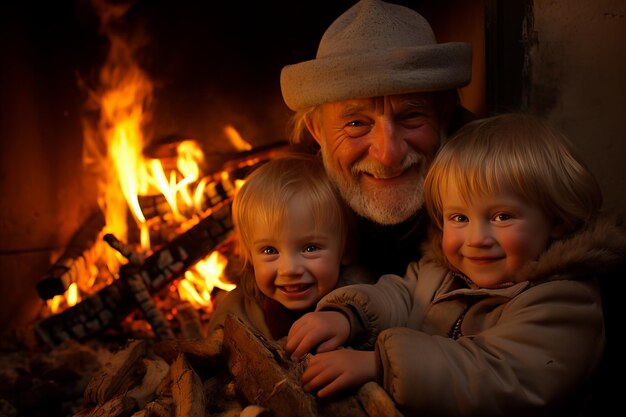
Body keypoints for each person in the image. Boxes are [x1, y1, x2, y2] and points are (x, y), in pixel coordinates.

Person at [284, 113, 626, 416]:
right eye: (459, 217)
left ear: (557, 220)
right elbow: (400, 296)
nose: (476, 238)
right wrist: (348, 316)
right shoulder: (443, 271)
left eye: (502, 216)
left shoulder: (565, 301)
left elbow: (495, 375)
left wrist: (380, 364)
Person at [280, 0, 475, 277]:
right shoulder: (291, 198)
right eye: (357, 123)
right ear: (316, 131)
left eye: (411, 116)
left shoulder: (501, 189)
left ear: (444, 116)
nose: (389, 154)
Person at [206, 152, 364, 341]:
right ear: (249, 256)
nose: (289, 269)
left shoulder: (363, 304)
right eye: (269, 251)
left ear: (346, 248)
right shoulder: (234, 314)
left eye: (310, 248)